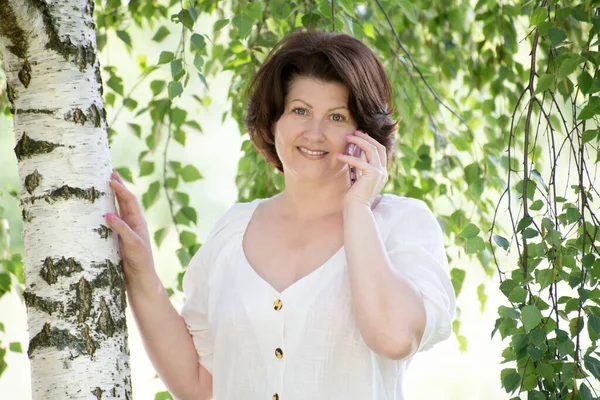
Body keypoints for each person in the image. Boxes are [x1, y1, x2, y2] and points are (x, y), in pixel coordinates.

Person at [105, 29, 456, 400]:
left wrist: (357, 207)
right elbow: (200, 386)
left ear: (364, 134)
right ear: (274, 122)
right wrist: (142, 274)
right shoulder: (232, 230)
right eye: (300, 111)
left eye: (336, 118)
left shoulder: (401, 227)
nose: (314, 133)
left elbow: (394, 336)